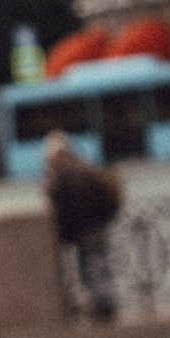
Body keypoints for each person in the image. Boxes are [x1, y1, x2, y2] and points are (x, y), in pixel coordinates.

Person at [42, 131, 123, 322]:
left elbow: (62, 207)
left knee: (90, 266)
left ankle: (101, 304)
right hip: (97, 224)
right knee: (99, 264)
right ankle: (105, 303)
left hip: (84, 228)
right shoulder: (83, 167)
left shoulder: (62, 175)